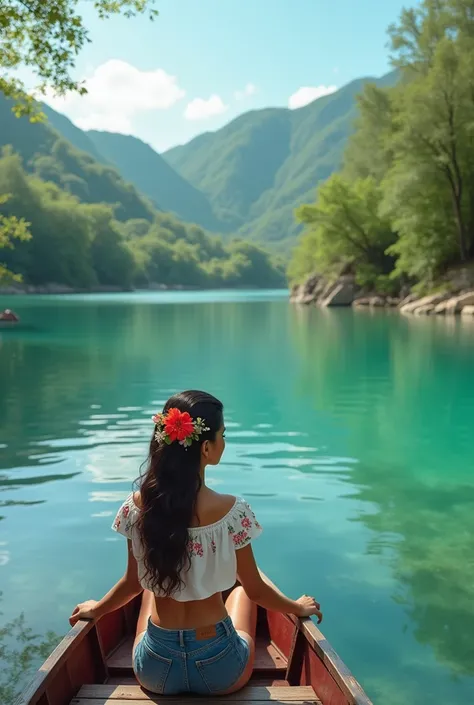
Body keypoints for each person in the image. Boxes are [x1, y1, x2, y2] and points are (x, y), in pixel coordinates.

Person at [70, 390, 322, 696]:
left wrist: (95, 609)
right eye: (222, 435)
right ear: (205, 447)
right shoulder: (232, 511)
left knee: (150, 588)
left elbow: (132, 583)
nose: (224, 442)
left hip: (156, 670)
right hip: (219, 667)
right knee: (242, 593)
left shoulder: (136, 507)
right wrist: (297, 607)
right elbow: (256, 589)